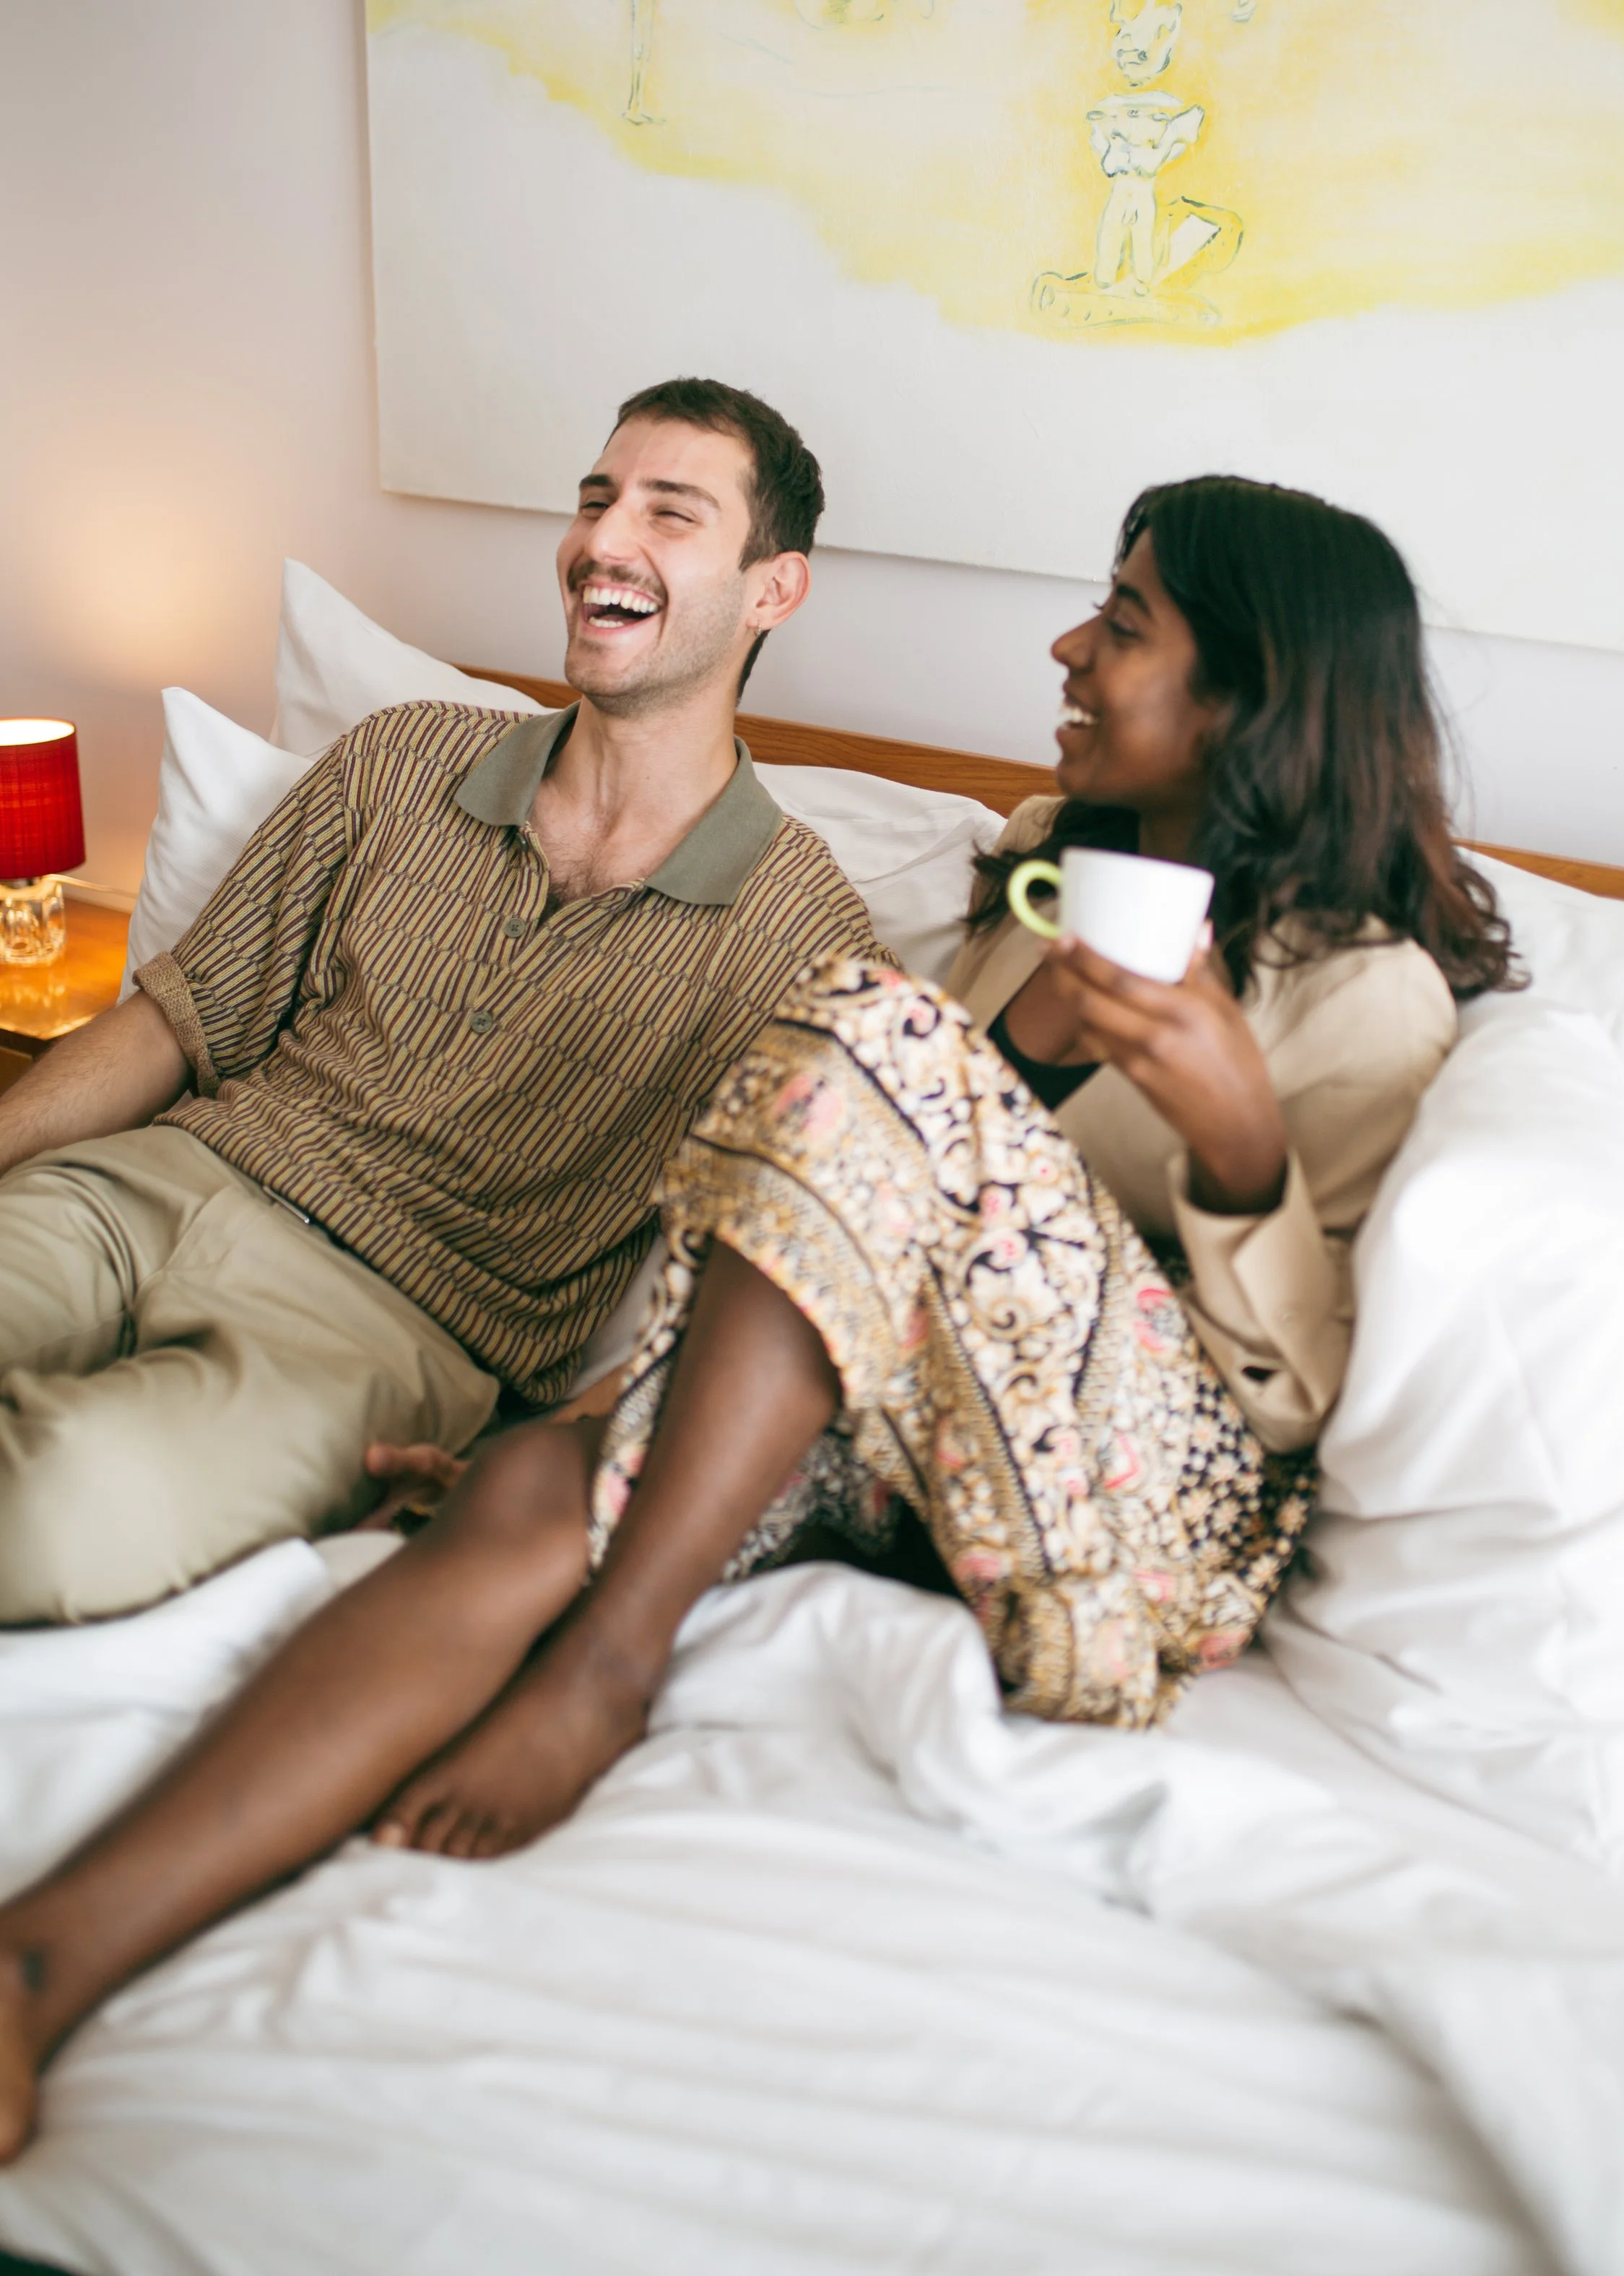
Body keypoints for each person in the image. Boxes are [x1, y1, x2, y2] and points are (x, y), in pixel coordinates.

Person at [0, 472, 1521, 2156]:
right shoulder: (1044, 883)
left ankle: (610, 1662)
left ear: (1245, 696)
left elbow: (1292, 1408)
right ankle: (38, 1964)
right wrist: (603, 1416)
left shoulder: (1356, 993)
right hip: (926, 1440)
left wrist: (1238, 1152)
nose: (1068, 649)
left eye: (1123, 622)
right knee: (536, 1490)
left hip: (1129, 1541)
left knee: (872, 1033)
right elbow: (843, 1215)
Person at [0, 378, 880, 1626]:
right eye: (595, 500)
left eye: (669, 513)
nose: (603, 540)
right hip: (153, 1183)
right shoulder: (400, 755)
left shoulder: (808, 941)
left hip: (381, 1329)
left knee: (53, 1516)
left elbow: (762, 1292)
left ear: (773, 589)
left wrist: (554, 1459)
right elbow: (170, 1023)